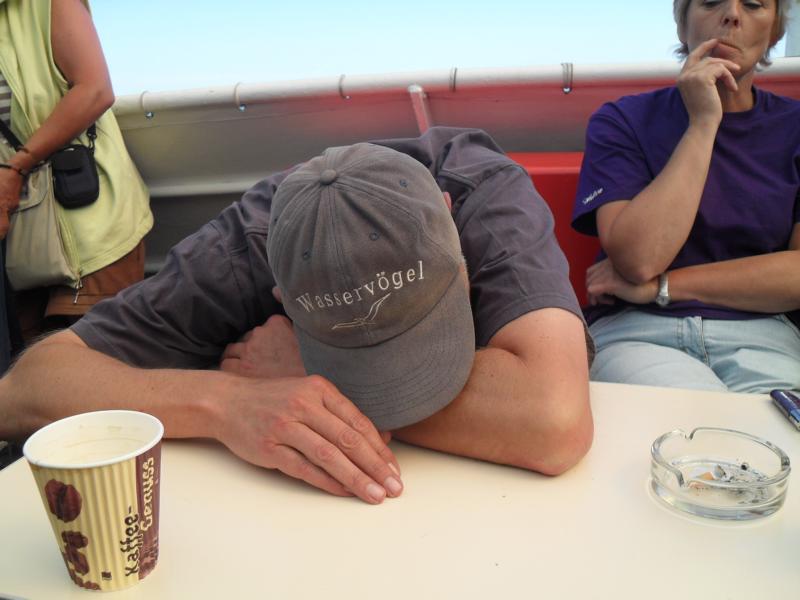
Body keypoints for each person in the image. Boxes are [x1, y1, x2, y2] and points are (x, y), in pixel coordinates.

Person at [0, 126, 594, 500]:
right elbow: (22, 392)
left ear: (449, 217)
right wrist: (228, 403)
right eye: (351, 351)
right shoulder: (244, 247)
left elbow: (554, 420)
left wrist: (313, 374)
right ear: (277, 286)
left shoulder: (483, 191)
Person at [571, 0, 800, 392]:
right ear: (682, 25)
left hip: (765, 338)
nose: (732, 15)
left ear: (775, 31)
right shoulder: (622, 120)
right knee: (696, 426)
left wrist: (663, 286)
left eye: (753, 4)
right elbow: (639, 260)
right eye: (711, 2)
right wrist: (703, 123)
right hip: (638, 333)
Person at [0, 0, 152, 339]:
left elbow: (95, 89)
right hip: (19, 244)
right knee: (28, 365)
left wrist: (15, 168)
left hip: (87, 227)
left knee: (90, 356)